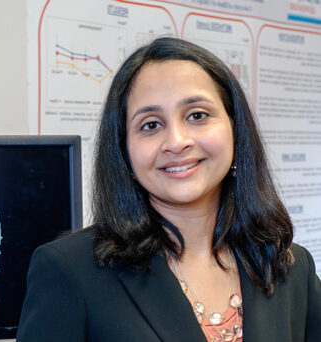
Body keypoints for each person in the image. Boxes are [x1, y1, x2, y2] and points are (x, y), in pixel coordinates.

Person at [16, 37, 321, 342]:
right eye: (151, 125)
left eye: (197, 115)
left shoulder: (289, 266)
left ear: (235, 129)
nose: (176, 141)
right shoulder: (69, 271)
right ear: (124, 150)